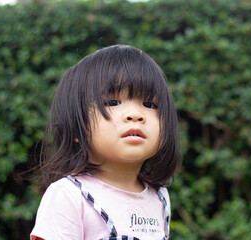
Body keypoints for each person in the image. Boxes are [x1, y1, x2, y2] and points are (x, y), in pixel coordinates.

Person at [30, 44, 182, 240]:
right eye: (113, 103)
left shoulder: (159, 196)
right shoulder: (69, 195)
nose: (135, 115)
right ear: (77, 128)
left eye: (149, 104)